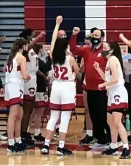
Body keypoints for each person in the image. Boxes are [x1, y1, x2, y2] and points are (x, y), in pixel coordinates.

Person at [41, 16, 79, 156]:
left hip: (56, 86)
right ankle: (61, 146)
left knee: (53, 117)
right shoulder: (70, 58)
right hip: (67, 86)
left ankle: (46, 145)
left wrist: (57, 24)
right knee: (64, 118)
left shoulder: (53, 55)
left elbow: (52, 41)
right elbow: (78, 72)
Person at [70, 27, 111, 148]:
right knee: (93, 114)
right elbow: (74, 49)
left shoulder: (105, 51)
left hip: (102, 89)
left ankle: (111, 138)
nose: (94, 38)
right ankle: (100, 138)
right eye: (93, 35)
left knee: (103, 115)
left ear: (102, 38)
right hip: (90, 88)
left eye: (97, 36)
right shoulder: (87, 50)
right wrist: (74, 35)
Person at [93, 41, 130, 159]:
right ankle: (114, 146)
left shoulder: (113, 59)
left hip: (118, 92)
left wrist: (102, 85)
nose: (102, 49)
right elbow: (108, 78)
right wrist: (98, 69)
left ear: (112, 49)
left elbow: (115, 79)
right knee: (110, 122)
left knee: (118, 122)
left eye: (105, 47)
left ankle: (126, 148)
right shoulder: (109, 61)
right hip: (112, 93)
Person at [4, 38, 31, 152]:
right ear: (23, 46)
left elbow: (4, 68)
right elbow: (25, 76)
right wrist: (29, 77)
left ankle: (18, 140)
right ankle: (11, 143)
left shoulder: (11, 56)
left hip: (10, 86)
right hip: (15, 86)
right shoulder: (21, 57)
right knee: (13, 116)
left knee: (19, 115)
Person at [32, 43, 52, 142]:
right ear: (39, 50)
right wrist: (49, 57)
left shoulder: (33, 59)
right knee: (39, 112)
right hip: (40, 87)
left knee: (35, 113)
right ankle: (36, 132)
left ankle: (34, 132)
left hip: (36, 86)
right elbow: (47, 67)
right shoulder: (37, 60)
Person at [79, 34, 94, 144]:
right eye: (85, 44)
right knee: (87, 109)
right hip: (87, 83)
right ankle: (89, 134)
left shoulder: (101, 53)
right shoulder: (84, 54)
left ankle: (101, 133)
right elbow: (81, 71)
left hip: (99, 84)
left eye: (88, 44)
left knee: (100, 111)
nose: (86, 46)